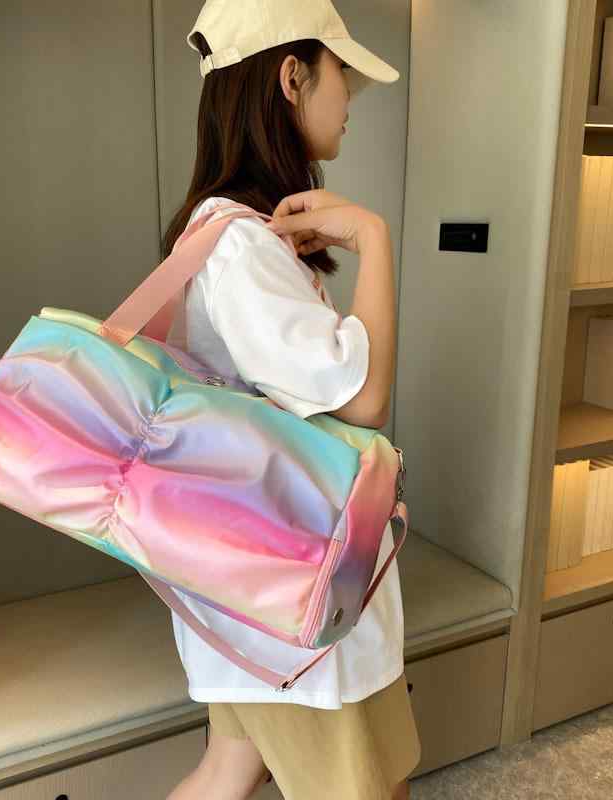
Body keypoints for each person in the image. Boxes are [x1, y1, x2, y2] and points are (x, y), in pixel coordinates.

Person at [162, 2, 421, 798]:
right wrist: (373, 238)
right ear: (291, 76)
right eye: (341, 72)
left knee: (229, 769)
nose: (349, 99)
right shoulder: (240, 246)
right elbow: (364, 399)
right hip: (294, 598)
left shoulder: (228, 232)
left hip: (257, 579)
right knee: (366, 788)